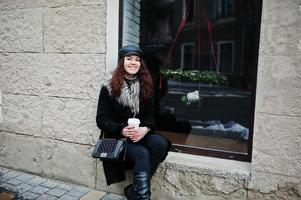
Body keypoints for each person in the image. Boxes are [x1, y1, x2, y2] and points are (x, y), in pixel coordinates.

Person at [96, 45, 170, 200]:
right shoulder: (108, 86)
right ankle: (142, 197)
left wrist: (146, 129)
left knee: (160, 143)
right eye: (129, 59)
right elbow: (101, 120)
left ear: (141, 64)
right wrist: (121, 129)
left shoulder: (146, 86)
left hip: (138, 134)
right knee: (141, 153)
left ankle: (134, 190)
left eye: (137, 60)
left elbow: (150, 117)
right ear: (122, 62)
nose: (133, 62)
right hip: (116, 137)